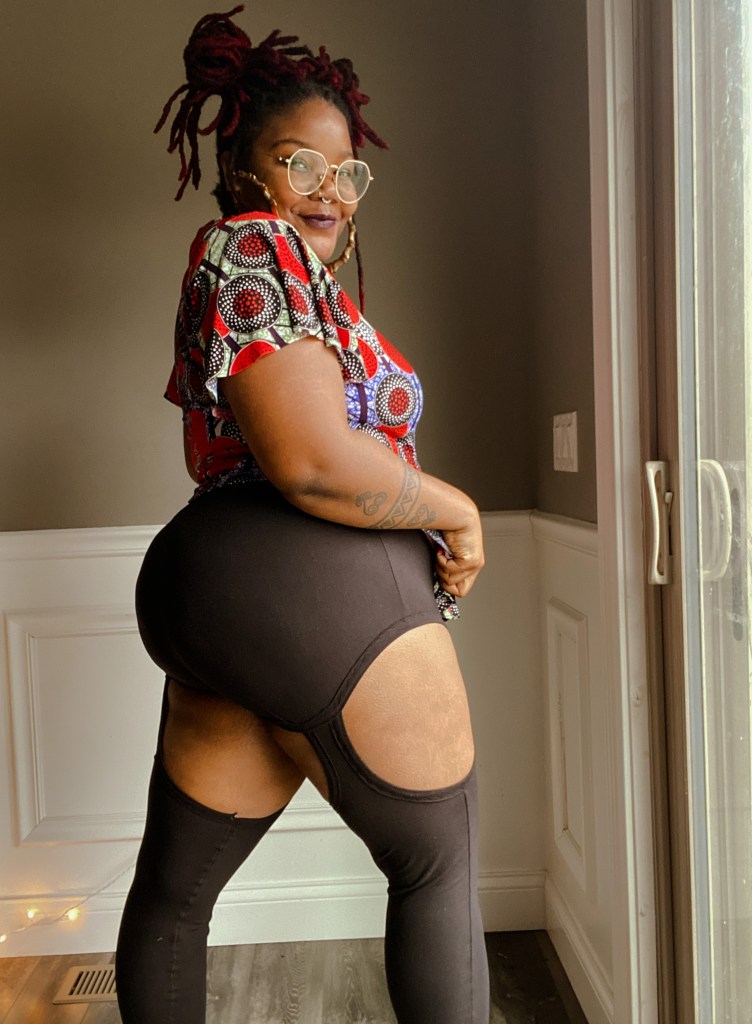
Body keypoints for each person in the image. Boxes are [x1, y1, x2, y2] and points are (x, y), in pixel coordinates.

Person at [115, 6, 488, 1023]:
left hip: (223, 599)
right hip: (309, 578)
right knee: (438, 864)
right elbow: (314, 463)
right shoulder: (257, 245)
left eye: (347, 171)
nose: (330, 188)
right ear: (245, 168)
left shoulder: (277, 272)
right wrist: (456, 511)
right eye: (301, 162)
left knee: (177, 894)